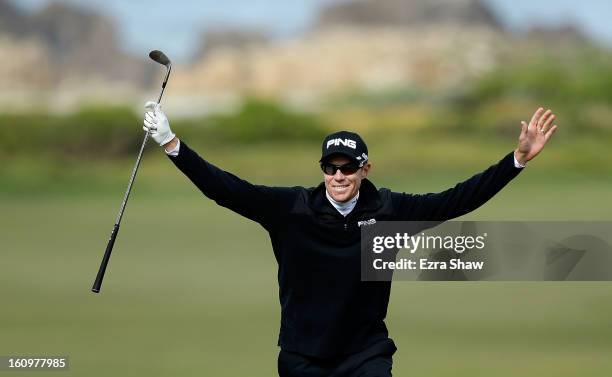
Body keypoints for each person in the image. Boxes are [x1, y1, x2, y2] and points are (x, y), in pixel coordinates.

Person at [142, 101, 557, 377]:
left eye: (348, 168)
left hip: (365, 355)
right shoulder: (292, 210)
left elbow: (457, 201)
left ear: (365, 169)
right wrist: (171, 143)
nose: (338, 176)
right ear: (322, 168)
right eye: (330, 166)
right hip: (303, 357)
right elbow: (226, 189)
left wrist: (516, 160)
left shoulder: (390, 211)